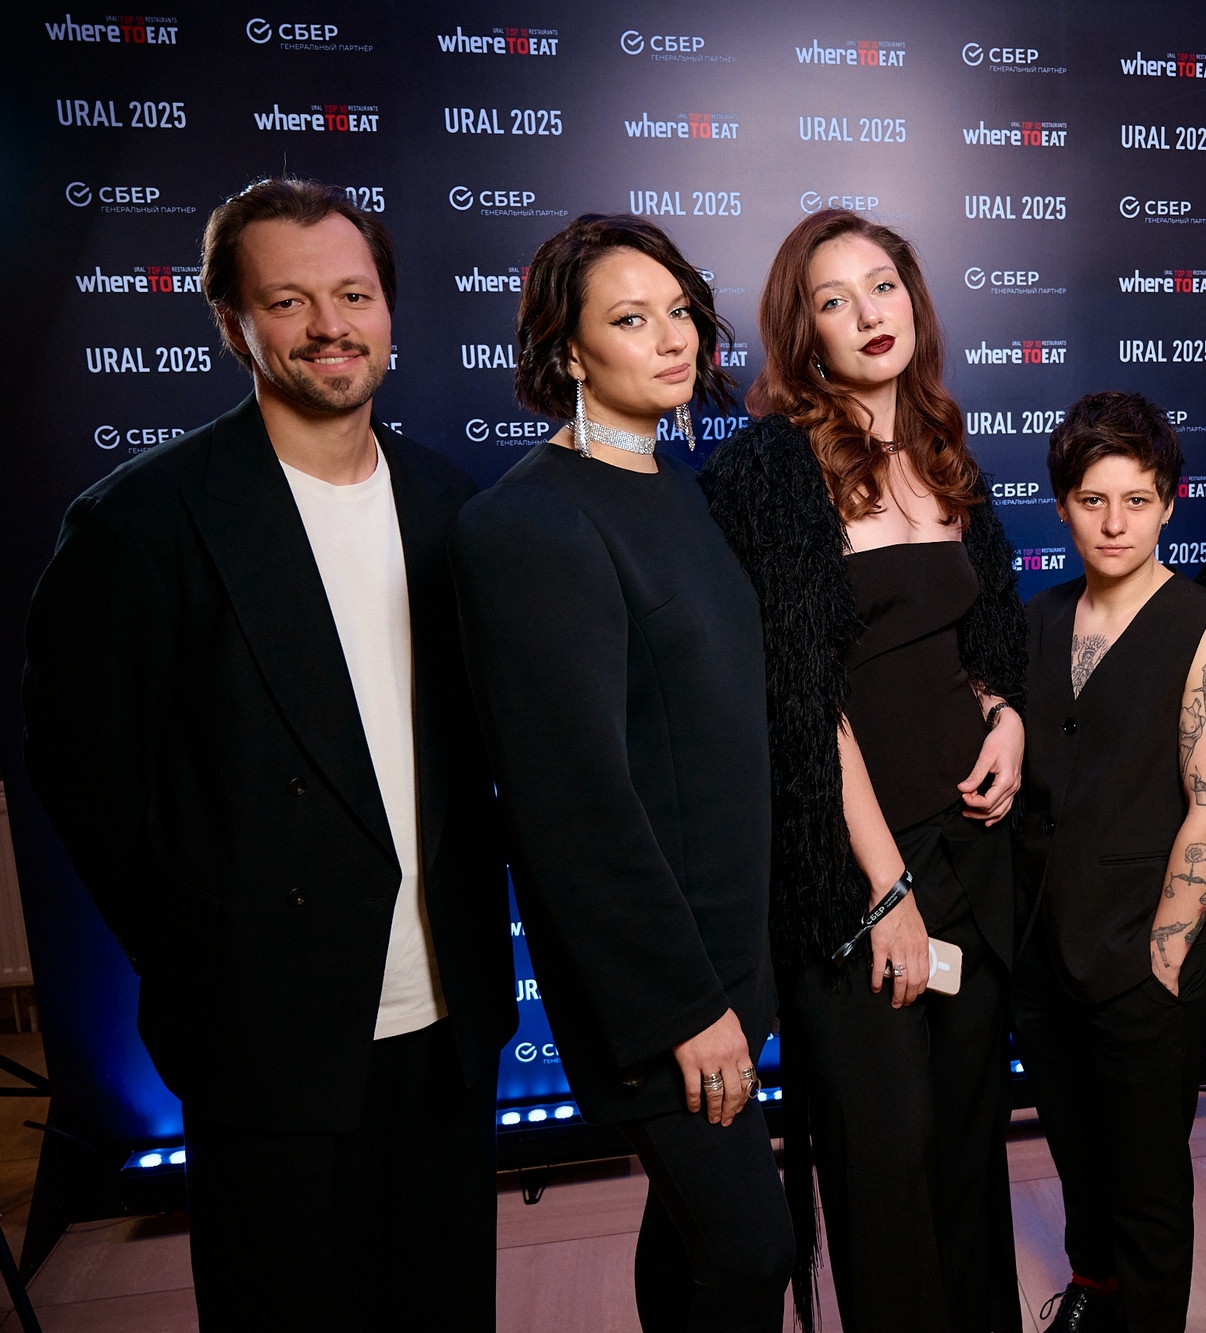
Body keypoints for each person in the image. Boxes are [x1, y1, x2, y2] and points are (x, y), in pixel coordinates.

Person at [21, 179, 515, 1330]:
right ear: (231, 323)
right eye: (289, 301)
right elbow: (85, 777)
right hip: (266, 1039)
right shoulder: (141, 524)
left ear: (388, 310)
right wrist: (212, 947)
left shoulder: (450, 501)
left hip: (449, 1023)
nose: (330, 325)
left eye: (354, 294)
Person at [450, 214, 794, 1329]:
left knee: (693, 1242)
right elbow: (574, 805)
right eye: (632, 319)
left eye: (679, 311)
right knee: (751, 1253)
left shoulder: (676, 481)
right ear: (568, 351)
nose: (674, 338)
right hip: (661, 987)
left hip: (729, 955)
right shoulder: (529, 524)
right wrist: (682, 1007)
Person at [702, 210, 1026, 1333]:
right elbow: (801, 697)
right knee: (884, 1162)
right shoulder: (770, 470)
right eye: (832, 300)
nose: (867, 314)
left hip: (971, 856)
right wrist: (885, 888)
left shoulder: (942, 449)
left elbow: (982, 640)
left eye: (881, 286)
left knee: (968, 1147)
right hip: (853, 878)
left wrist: (1004, 715)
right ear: (804, 332)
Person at [1013, 393, 1206, 1333]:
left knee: (1146, 1182)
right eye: (1092, 500)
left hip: (1146, 952)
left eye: (1137, 500)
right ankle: (1093, 1290)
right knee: (1076, 1154)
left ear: (1168, 503)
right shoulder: (1036, 619)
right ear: (1062, 507)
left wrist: (1167, 949)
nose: (1114, 523)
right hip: (1043, 945)